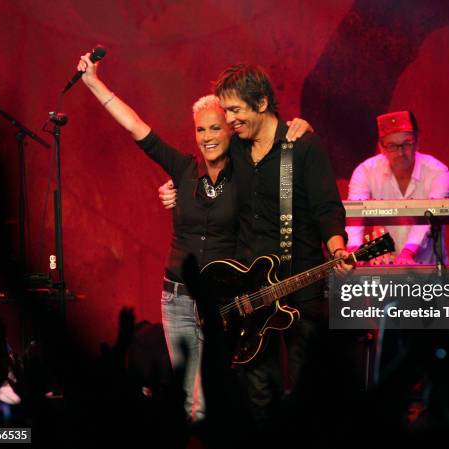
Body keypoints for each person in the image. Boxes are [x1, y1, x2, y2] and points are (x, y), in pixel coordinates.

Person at [76, 53, 310, 422]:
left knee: (222, 397)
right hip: (177, 300)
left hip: (223, 304)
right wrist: (93, 82)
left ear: (230, 129)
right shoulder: (184, 169)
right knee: (191, 403)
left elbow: (277, 143)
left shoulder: (247, 174)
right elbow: (136, 127)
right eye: (201, 130)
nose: (208, 137)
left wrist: (298, 127)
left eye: (216, 128)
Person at [159, 63, 352, 427]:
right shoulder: (238, 153)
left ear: (261, 103)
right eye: (226, 111)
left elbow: (327, 207)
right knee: (258, 391)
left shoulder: (303, 146)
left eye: (235, 110)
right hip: (252, 297)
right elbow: (203, 170)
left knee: (308, 389)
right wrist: (174, 193)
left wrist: (338, 246)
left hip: (302, 286)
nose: (228, 120)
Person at [346, 110, 449, 264]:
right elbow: (354, 216)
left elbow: (429, 217)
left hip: (430, 271)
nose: (400, 152)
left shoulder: (438, 173)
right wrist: (354, 251)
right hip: (383, 270)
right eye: (392, 146)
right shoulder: (365, 171)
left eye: (406, 144)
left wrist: (408, 252)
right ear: (381, 147)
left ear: (417, 142)